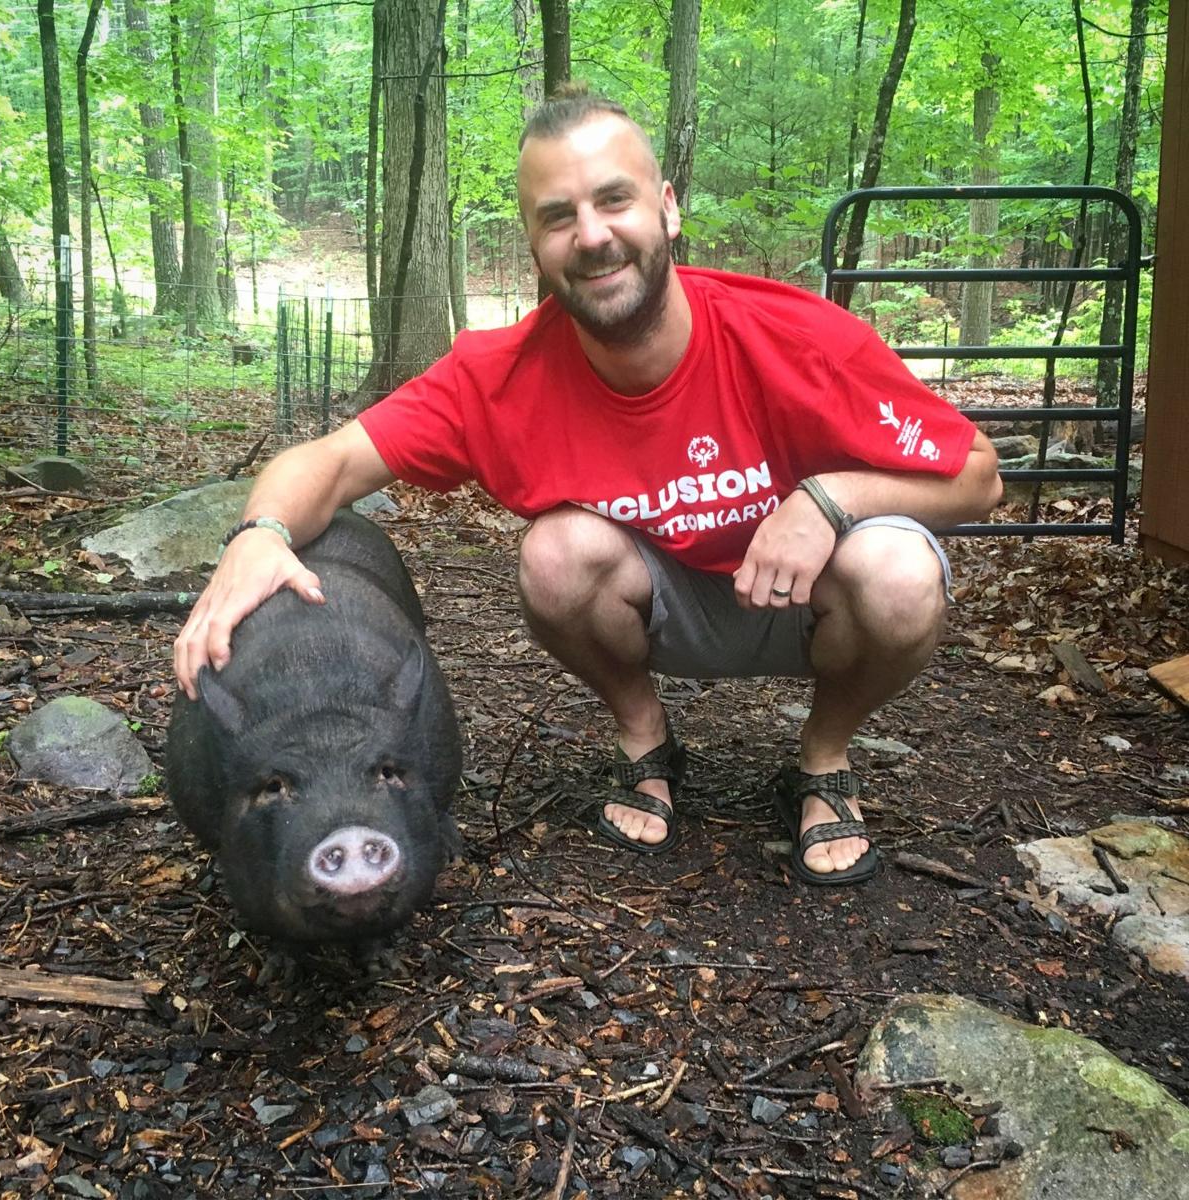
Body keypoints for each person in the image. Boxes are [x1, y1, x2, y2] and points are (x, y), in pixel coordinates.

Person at [175, 84, 1002, 887]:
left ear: (668, 207)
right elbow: (328, 461)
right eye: (558, 216)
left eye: (615, 200)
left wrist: (828, 500)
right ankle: (646, 738)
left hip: (809, 597)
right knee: (554, 553)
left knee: (899, 571)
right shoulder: (496, 377)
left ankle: (824, 758)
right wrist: (260, 536)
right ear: (534, 245)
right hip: (656, 607)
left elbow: (978, 478)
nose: (593, 235)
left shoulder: (795, 336)